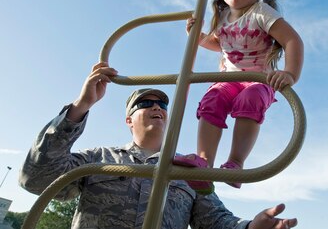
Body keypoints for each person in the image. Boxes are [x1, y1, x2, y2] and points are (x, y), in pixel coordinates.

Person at [19, 62, 298, 229]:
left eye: (162, 104)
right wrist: (82, 106)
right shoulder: (98, 158)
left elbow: (216, 223)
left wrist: (251, 227)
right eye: (145, 103)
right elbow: (36, 179)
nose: (157, 107)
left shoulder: (187, 170)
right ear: (129, 119)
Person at [174, 0, 304, 192]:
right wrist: (201, 38)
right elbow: (220, 44)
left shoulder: (261, 12)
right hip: (229, 78)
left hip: (257, 80)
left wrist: (290, 74)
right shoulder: (222, 16)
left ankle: (235, 163)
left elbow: (293, 40)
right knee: (212, 98)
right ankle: (204, 162)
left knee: (250, 98)